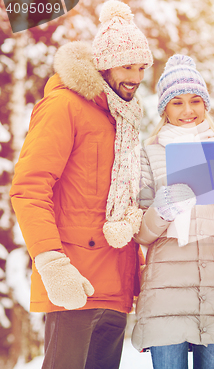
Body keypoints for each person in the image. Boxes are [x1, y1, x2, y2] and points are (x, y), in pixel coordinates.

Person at [9, 1, 153, 368]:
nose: (135, 76)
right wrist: (52, 264)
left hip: (116, 286)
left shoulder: (124, 119)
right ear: (103, 65)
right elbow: (29, 188)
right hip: (74, 282)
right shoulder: (64, 106)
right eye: (126, 66)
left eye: (141, 67)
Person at [130, 54, 214, 369]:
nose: (188, 111)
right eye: (177, 103)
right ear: (164, 108)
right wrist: (162, 209)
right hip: (167, 290)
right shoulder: (148, 153)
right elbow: (141, 233)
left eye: (195, 101)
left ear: (205, 105)